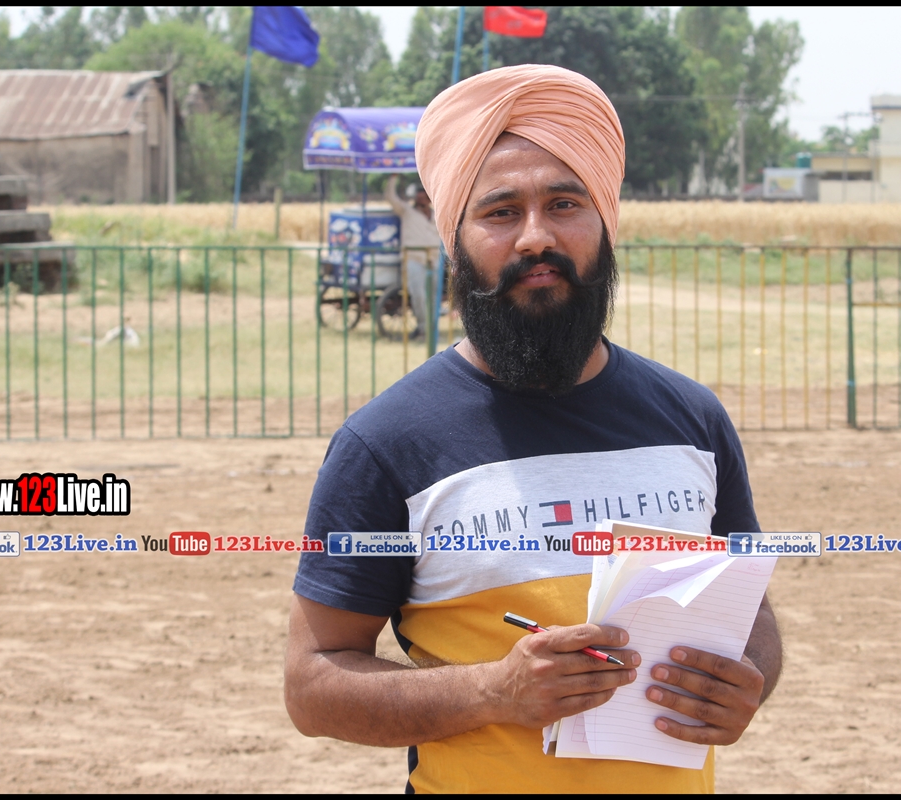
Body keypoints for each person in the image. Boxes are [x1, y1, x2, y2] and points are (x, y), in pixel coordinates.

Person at [285, 64, 781, 794]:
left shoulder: (693, 421)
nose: (536, 237)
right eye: (500, 212)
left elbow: (752, 612)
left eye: (564, 203)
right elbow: (313, 683)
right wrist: (493, 692)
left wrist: (748, 680)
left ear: (605, 223)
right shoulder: (386, 444)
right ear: (455, 240)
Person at [384, 174, 441, 338]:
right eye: (419, 196)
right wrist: (393, 178)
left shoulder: (436, 215)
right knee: (419, 296)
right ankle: (423, 328)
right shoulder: (407, 211)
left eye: (425, 196)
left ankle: (432, 330)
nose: (422, 199)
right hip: (414, 259)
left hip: (434, 260)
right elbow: (390, 197)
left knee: (434, 298)